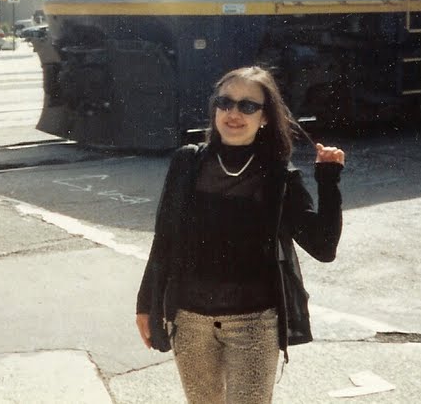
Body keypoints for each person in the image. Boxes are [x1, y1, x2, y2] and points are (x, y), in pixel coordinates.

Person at [135, 66, 345, 404]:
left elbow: (323, 247)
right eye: (226, 102)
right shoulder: (186, 164)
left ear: (265, 117)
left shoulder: (279, 176)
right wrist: (145, 304)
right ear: (215, 108)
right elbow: (164, 240)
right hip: (190, 321)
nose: (234, 113)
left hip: (254, 324)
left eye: (248, 106)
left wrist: (328, 180)